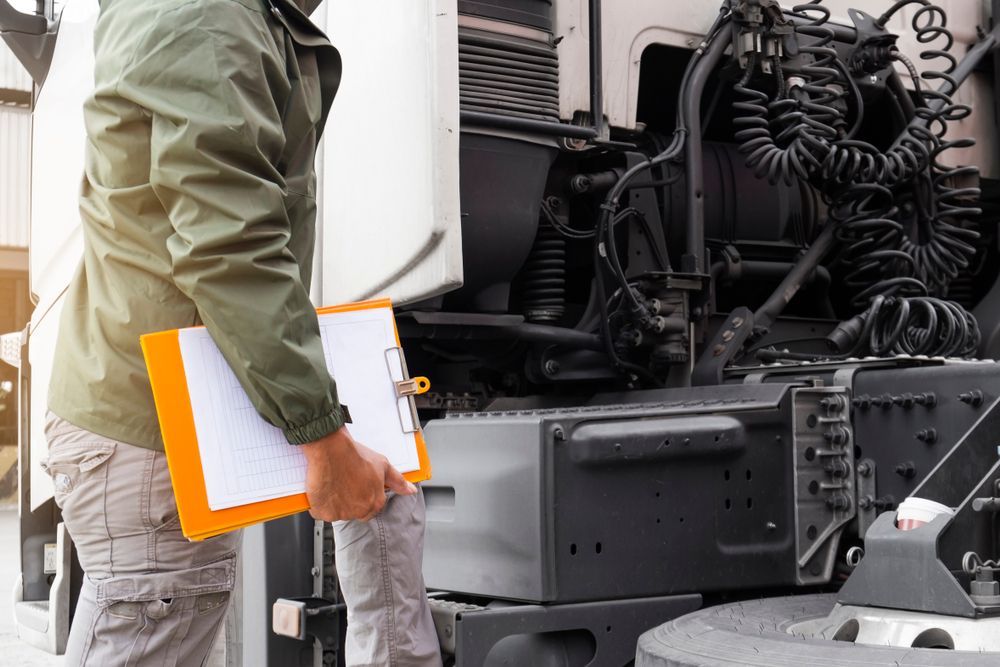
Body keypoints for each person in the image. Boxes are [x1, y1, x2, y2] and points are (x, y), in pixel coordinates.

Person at [41, 0, 442, 664]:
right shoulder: (209, 15)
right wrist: (322, 434)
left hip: (151, 421)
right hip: (156, 432)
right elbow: (229, 247)